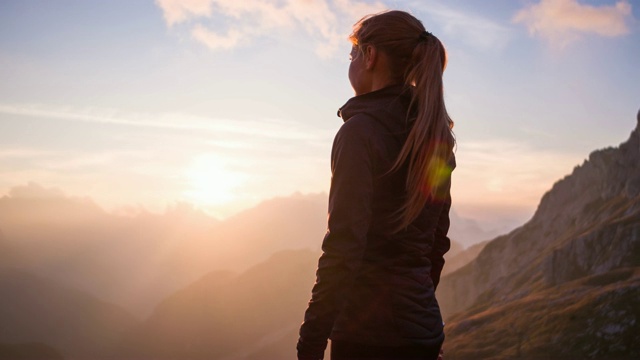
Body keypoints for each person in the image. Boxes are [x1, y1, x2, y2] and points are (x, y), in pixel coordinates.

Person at [297, 10, 455, 360]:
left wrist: (309, 345)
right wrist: (417, 312)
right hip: (424, 333)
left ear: (370, 57)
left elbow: (343, 248)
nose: (350, 62)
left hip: (368, 338)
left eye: (353, 53)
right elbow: (436, 242)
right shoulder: (435, 135)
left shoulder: (359, 133)